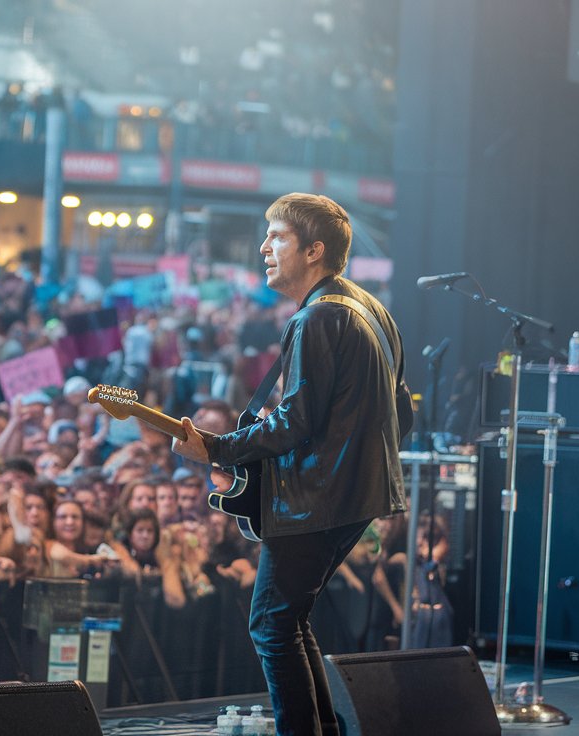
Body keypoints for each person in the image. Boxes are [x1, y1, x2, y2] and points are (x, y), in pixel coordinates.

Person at [171, 193, 411, 736]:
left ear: (314, 250)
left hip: (319, 498)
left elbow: (294, 422)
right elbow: (402, 414)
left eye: (277, 236)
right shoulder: (371, 310)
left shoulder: (318, 318)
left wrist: (216, 448)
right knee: (287, 620)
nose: (264, 247)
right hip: (359, 494)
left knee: (271, 626)